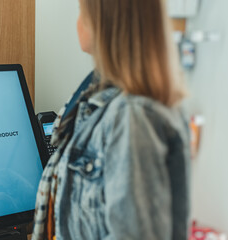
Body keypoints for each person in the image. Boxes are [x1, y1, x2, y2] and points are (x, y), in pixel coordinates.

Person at [32, 0, 190, 239]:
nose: (77, 22)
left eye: (81, 11)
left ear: (102, 22)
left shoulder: (133, 117)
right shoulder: (100, 99)